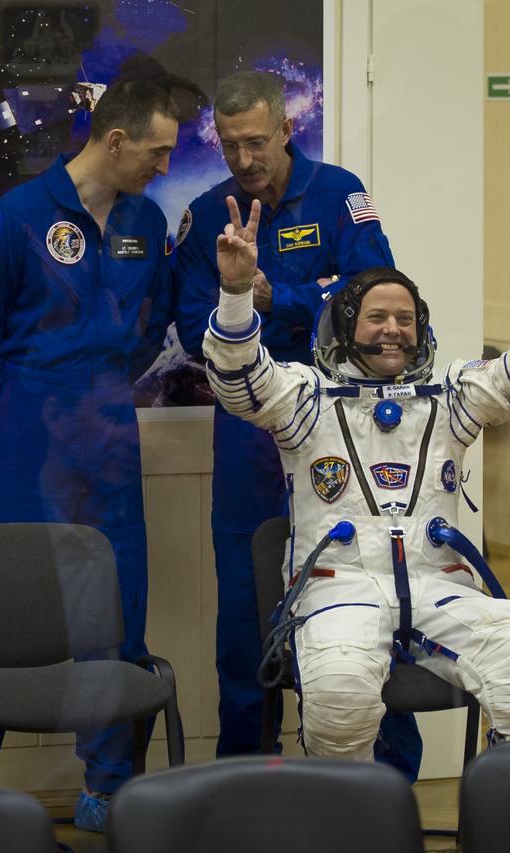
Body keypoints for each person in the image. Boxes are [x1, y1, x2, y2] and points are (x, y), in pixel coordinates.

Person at [202, 196, 510, 759]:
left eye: (405, 320)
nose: (393, 331)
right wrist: (236, 292)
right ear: (346, 325)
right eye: (377, 318)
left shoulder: (450, 397)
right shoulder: (307, 398)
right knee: (340, 693)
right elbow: (238, 381)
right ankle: (354, 811)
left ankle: (509, 805)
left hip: (439, 588)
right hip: (340, 590)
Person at [0, 78, 178, 832]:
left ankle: (107, 788)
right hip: (25, 427)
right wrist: (18, 394)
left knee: (115, 612)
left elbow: (153, 321)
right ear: (116, 140)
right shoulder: (16, 217)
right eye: (157, 151)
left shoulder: (145, 220)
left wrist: (103, 382)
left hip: (109, 430)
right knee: (1, 612)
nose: (165, 166)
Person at [173, 70, 421, 770]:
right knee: (246, 607)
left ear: (287, 128)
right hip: (250, 431)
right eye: (229, 145)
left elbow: (375, 300)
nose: (243, 159)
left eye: (256, 141)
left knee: (364, 590)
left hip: (339, 428)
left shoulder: (339, 194)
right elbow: (193, 329)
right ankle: (245, 774)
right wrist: (244, 298)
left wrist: (277, 297)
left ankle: (381, 778)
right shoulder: (206, 216)